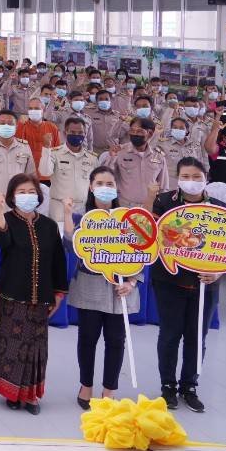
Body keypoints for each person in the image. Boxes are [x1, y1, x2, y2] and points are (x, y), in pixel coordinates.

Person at [148, 157, 221, 413]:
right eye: (186, 176)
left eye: (197, 177)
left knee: (197, 336)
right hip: (169, 281)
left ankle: (189, 386)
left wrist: (218, 273)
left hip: (204, 285)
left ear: (206, 178)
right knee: (169, 334)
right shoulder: (164, 202)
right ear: (178, 177)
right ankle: (167, 385)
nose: (191, 182)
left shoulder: (219, 208)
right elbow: (150, 236)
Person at [0, 173, 68, 414]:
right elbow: (0, 242)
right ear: (13, 197)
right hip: (12, 296)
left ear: (39, 195)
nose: (27, 196)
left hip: (41, 296)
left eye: (31, 191)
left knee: (36, 348)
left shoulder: (49, 226)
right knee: (11, 347)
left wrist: (59, 293)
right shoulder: (7, 220)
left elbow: (58, 261)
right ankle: (11, 393)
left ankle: (32, 396)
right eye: (21, 192)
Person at [63, 167, 140, 408]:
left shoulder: (127, 218)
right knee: (87, 338)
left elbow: (140, 250)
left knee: (116, 340)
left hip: (119, 288)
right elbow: (70, 247)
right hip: (89, 286)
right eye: (100, 183)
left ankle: (109, 390)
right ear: (90, 186)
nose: (105, 188)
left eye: (110, 183)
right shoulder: (81, 216)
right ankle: (86, 385)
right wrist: (66, 214)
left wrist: (132, 282)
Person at [38, 117, 98, 221]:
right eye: (72, 132)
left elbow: (96, 184)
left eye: (80, 132)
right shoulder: (54, 153)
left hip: (81, 209)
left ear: (85, 133)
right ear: (65, 133)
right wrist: (46, 148)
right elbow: (44, 171)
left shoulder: (92, 158)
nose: (76, 135)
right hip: (58, 209)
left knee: (78, 237)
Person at [99, 117, 166, 207]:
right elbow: (106, 176)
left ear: (150, 134)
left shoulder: (159, 156)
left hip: (150, 207)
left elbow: (163, 187)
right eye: (132, 131)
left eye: (139, 131)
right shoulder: (119, 151)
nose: (135, 134)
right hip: (124, 205)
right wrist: (112, 157)